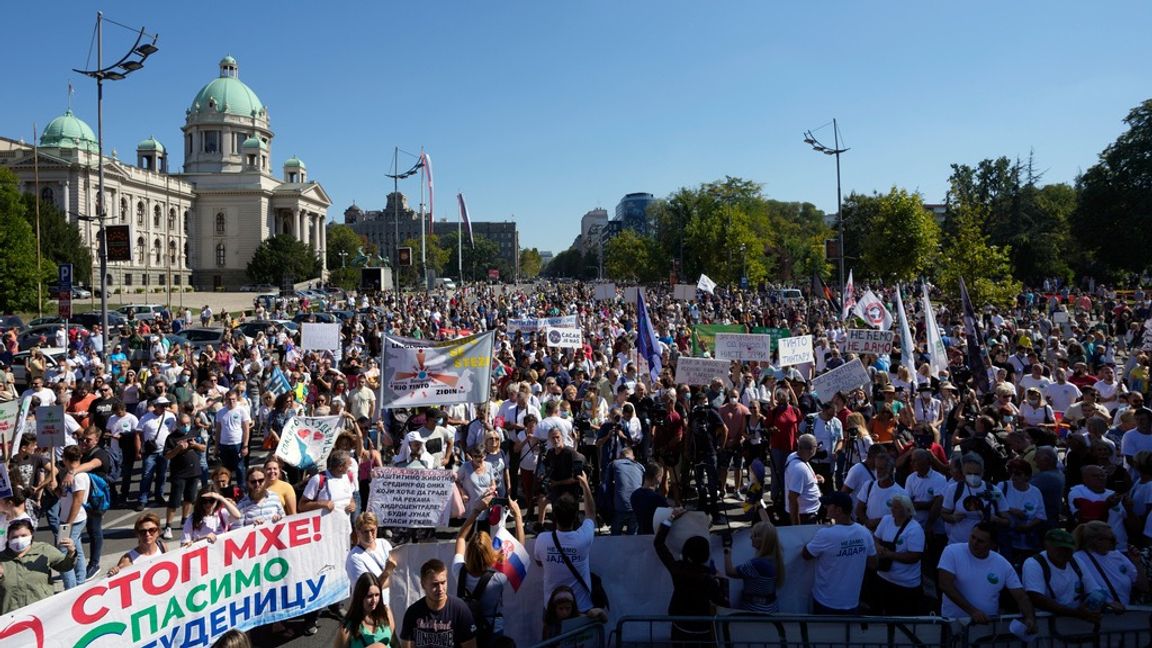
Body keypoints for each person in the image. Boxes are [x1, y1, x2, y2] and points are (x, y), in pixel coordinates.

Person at [453, 494, 524, 647]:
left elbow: (460, 538)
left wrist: (476, 511)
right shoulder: (498, 579)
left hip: (465, 631)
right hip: (492, 630)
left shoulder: (459, 571)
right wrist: (518, 515)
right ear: (490, 553)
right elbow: (519, 550)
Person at [938, 521, 1037, 630]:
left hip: (987, 628)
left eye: (980, 541)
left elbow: (1021, 596)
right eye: (973, 537)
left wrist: (1030, 618)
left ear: (992, 545)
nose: (974, 542)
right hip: (954, 626)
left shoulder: (1002, 564)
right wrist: (973, 612)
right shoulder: (952, 551)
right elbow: (945, 585)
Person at [654, 508, 730, 645]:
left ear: (686, 554)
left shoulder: (678, 570)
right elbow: (724, 604)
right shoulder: (709, 579)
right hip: (704, 630)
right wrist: (723, 581)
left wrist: (671, 518)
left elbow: (658, 544)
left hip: (679, 626)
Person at [802, 491, 876, 614]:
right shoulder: (864, 533)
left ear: (838, 510)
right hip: (852, 602)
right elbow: (873, 563)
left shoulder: (825, 535)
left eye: (829, 505)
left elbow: (806, 555)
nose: (825, 507)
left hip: (825, 602)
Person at [532, 473, 597, 612]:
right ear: (575, 517)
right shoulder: (583, 538)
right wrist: (585, 485)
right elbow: (590, 514)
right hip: (582, 608)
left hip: (552, 609)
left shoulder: (542, 539)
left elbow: (538, 562)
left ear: (554, 516)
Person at [1022, 528, 1109, 623]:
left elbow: (1093, 590)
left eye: (1068, 549)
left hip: (1075, 623)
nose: (1064, 552)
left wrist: (1104, 603)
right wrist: (1075, 613)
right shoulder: (1034, 563)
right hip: (1047, 625)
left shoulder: (1077, 562)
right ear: (1047, 546)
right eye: (1059, 548)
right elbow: (1036, 598)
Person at [0, 518, 77, 613]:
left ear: (31, 535)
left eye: (23, 535)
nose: (19, 540)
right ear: (8, 538)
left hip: (41, 612)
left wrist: (71, 552)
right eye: (14, 537)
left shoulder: (44, 550)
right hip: (12, 616)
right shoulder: (2, 559)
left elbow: (65, 566)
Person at [868, 493, 925, 615]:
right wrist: (878, 547)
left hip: (904, 584)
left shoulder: (915, 529)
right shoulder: (886, 520)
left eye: (896, 507)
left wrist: (889, 555)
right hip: (882, 577)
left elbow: (914, 556)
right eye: (892, 506)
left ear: (906, 510)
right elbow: (875, 538)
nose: (892, 509)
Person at [400, 559, 477, 648]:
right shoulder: (413, 612)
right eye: (435, 584)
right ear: (423, 584)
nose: (440, 589)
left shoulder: (460, 610)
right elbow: (406, 645)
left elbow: (470, 645)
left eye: (443, 583)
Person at [1073, 520, 1147, 608]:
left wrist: (1137, 563)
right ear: (1097, 541)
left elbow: (1143, 587)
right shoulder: (1078, 558)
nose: (1116, 542)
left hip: (1123, 614)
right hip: (1100, 615)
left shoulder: (1117, 555)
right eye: (1112, 539)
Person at [724, 510, 784, 613]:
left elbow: (730, 571)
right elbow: (769, 529)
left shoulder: (757, 564)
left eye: (755, 535)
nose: (751, 537)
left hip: (754, 612)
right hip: (771, 609)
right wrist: (759, 507)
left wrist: (727, 549)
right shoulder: (775, 557)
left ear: (763, 540)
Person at [163, 414, 206, 539]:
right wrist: (178, 448)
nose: (185, 426)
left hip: (194, 472)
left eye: (187, 423)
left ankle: (184, 520)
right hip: (179, 473)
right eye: (183, 424)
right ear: (177, 423)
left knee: (189, 498)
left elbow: (203, 448)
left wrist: (194, 445)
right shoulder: (171, 438)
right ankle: (168, 526)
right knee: (174, 501)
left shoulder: (194, 432)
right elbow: (167, 456)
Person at [57, 445, 89, 589]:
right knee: (77, 549)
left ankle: (71, 587)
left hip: (73, 520)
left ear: (65, 459)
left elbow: (77, 501)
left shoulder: (79, 477)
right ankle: (80, 581)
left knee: (62, 552)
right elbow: (65, 496)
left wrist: (68, 524)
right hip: (68, 519)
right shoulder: (69, 474)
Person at [135, 396, 176, 511]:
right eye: (162, 405)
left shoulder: (171, 416)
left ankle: (159, 496)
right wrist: (138, 450)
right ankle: (142, 499)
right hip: (150, 452)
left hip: (165, 451)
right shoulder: (145, 418)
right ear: (156, 406)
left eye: (166, 405)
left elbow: (173, 432)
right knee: (146, 475)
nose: (164, 408)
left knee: (162, 476)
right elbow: (138, 434)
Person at [337, 572, 395, 648]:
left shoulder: (386, 613)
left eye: (377, 595)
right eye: (369, 596)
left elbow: (394, 642)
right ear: (360, 596)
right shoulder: (347, 627)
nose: (374, 600)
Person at [215, 391, 252, 492]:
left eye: (233, 399)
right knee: (226, 470)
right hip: (224, 444)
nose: (231, 402)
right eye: (229, 400)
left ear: (236, 399)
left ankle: (242, 491)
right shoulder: (220, 413)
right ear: (226, 400)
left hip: (237, 444)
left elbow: (246, 429)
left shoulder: (241, 411)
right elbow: (218, 431)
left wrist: (245, 445)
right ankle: (226, 490)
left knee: (240, 468)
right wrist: (216, 447)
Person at [541, 585, 607, 641]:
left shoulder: (579, 618)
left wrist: (600, 611)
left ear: (572, 607)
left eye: (568, 608)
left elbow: (604, 620)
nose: (564, 612)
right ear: (554, 608)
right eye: (560, 608)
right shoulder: (549, 623)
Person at [785, 434, 822, 525]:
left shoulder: (793, 456)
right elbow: (792, 498)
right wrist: (797, 526)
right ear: (811, 449)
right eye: (816, 447)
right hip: (805, 517)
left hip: (807, 514)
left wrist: (814, 479)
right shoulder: (799, 469)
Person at [608, 446, 645, 535]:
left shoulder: (614, 464)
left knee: (615, 536)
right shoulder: (641, 467)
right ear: (633, 457)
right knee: (632, 537)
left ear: (621, 456)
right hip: (636, 507)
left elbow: (606, 485)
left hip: (620, 507)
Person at [630, 462, 669, 534]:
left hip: (641, 534)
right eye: (661, 476)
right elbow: (668, 516)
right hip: (652, 536)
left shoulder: (634, 495)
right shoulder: (657, 499)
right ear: (657, 477)